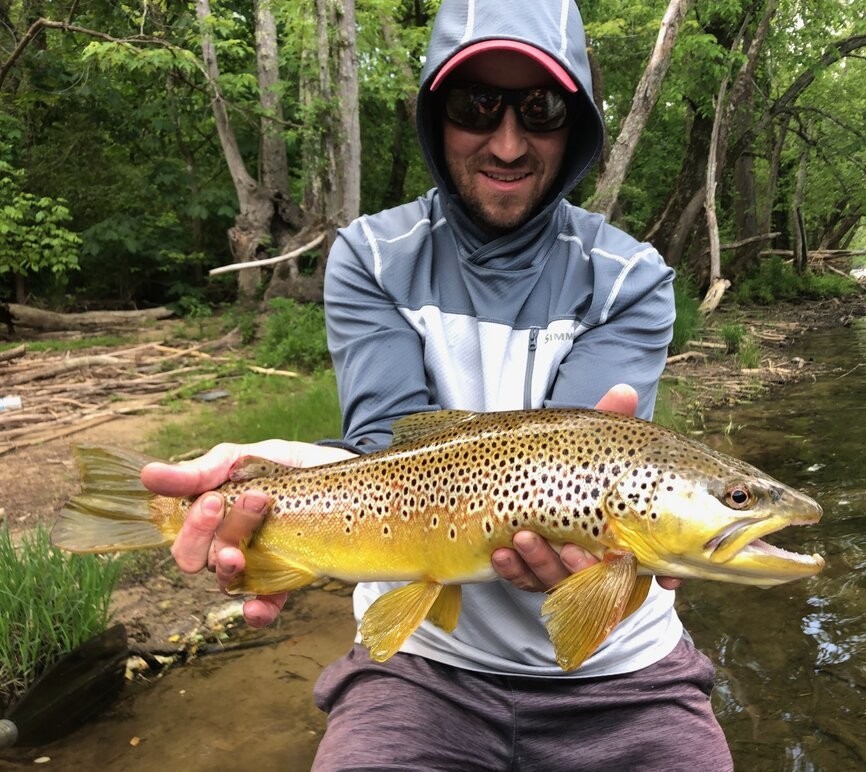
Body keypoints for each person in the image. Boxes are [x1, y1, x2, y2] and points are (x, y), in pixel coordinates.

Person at [141, 0, 734, 768]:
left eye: (542, 109)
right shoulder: (370, 256)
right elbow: (382, 453)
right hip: (421, 665)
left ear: (578, 126)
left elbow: (580, 478)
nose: (508, 142)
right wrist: (286, 482)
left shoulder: (631, 276)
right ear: (434, 113)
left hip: (623, 665)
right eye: (476, 105)